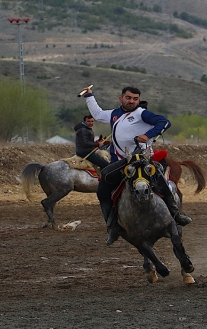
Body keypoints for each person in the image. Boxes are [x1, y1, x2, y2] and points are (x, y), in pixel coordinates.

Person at [81, 85, 193, 246]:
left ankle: (176, 216)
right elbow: (98, 114)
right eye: (128, 98)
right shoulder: (114, 114)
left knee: (162, 183)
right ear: (121, 99)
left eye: (135, 99)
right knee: (103, 188)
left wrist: (147, 135)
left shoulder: (142, 114)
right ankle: (113, 226)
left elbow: (164, 122)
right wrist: (89, 96)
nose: (132, 101)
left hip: (143, 159)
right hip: (120, 162)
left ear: (138, 100)